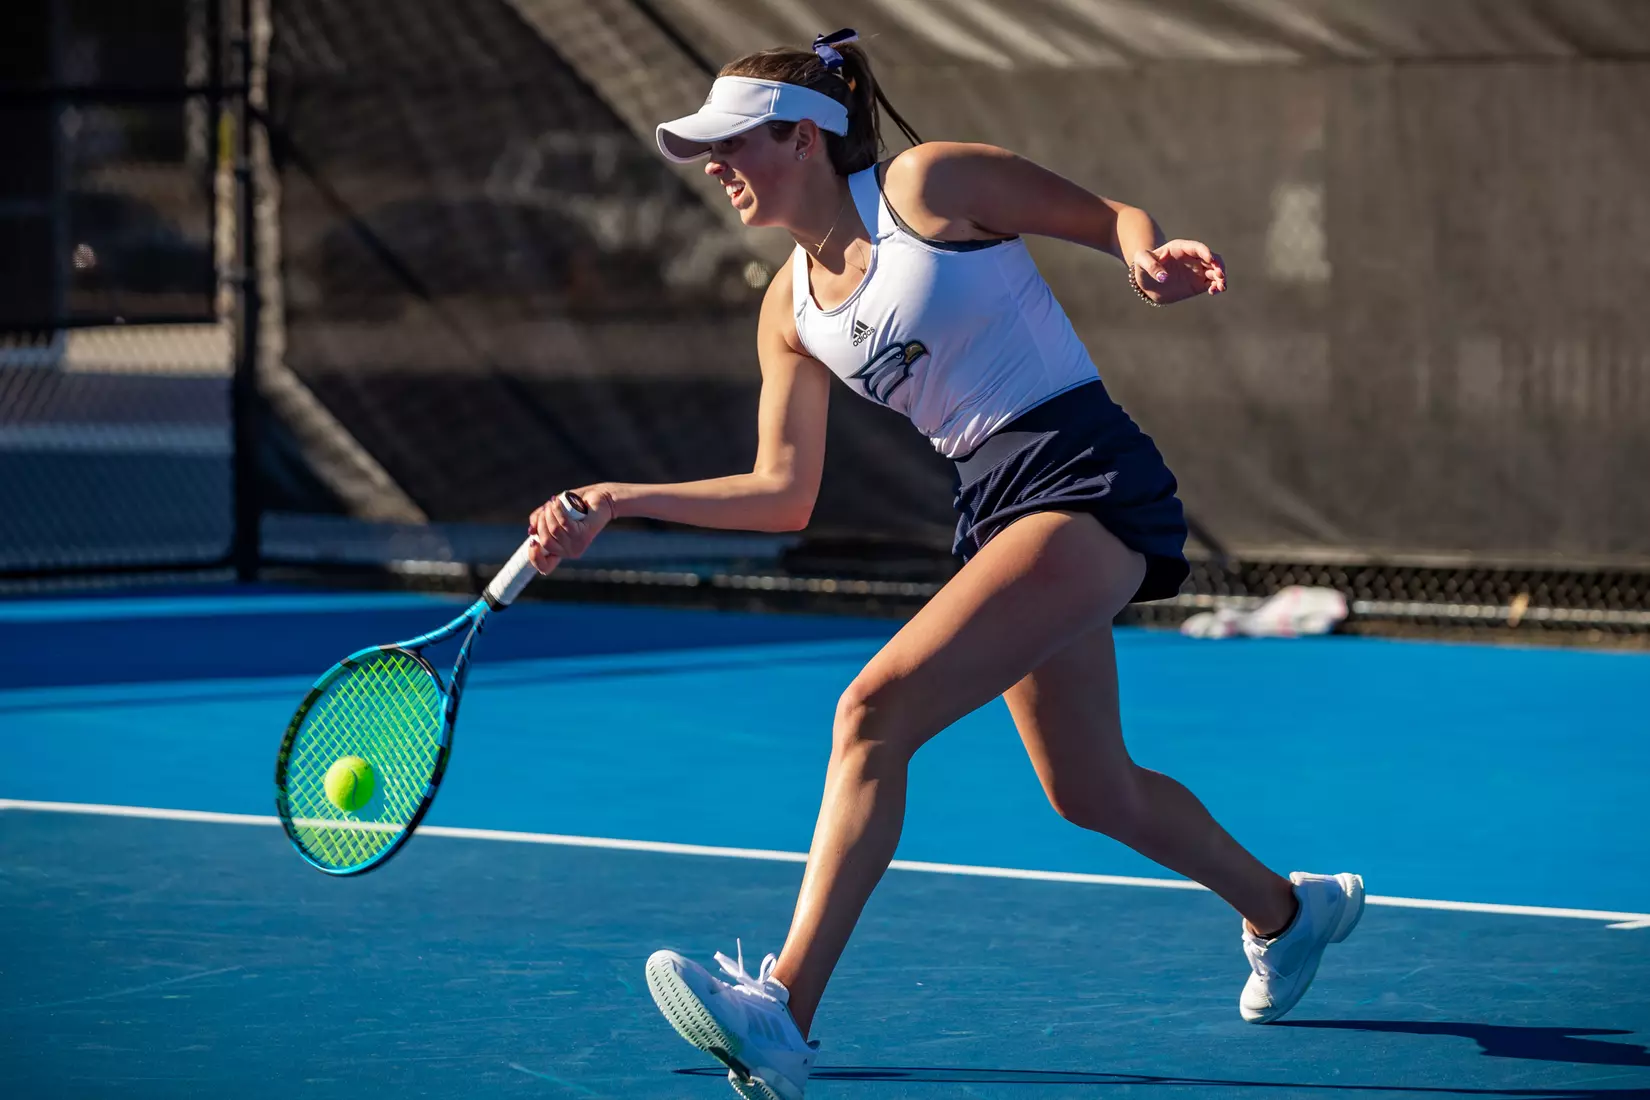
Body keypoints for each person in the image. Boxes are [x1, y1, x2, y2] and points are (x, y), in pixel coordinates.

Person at [526, 29, 1363, 1100]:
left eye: (733, 143)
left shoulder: (927, 185)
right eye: (706, 151)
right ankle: (1290, 915)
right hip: (990, 499)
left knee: (871, 708)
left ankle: (783, 1007)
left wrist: (1146, 257)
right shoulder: (787, 310)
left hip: (1082, 471)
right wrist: (618, 499)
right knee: (1090, 789)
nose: (715, 166)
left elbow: (1106, 217)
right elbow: (783, 489)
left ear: (805, 135)